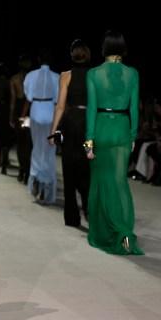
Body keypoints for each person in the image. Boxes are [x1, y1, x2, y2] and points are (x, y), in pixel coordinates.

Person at [85, 30, 143, 255]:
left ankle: (104, 233)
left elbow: (90, 109)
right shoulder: (133, 74)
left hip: (100, 128)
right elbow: (134, 108)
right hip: (121, 130)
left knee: (100, 182)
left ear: (104, 48)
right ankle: (125, 234)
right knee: (120, 184)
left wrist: (87, 143)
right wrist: (133, 136)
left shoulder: (94, 73)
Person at [49, 39, 91, 226]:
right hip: (88, 123)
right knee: (86, 168)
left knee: (69, 167)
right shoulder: (94, 76)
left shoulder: (65, 75)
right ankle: (89, 210)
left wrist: (53, 130)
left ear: (72, 56)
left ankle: (72, 217)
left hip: (70, 122)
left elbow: (60, 106)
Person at [24, 48, 59, 204]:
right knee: (49, 151)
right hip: (51, 111)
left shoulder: (31, 75)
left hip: (37, 110)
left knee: (37, 148)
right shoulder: (56, 77)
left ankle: (37, 183)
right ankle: (46, 186)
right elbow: (59, 98)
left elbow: (28, 95)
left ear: (39, 60)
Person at [10, 54, 33, 184]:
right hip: (29, 112)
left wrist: (11, 117)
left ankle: (22, 171)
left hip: (19, 111)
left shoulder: (14, 79)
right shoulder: (33, 78)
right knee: (28, 143)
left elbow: (13, 101)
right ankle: (27, 172)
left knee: (20, 143)